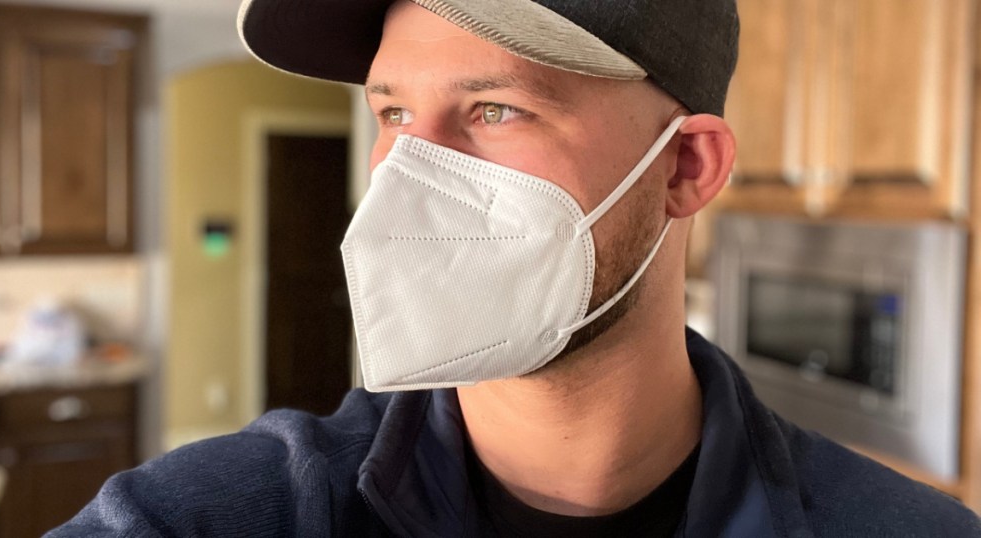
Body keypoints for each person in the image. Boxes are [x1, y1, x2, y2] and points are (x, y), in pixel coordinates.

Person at [49, 0, 980, 536]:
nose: (411, 172)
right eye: (395, 116)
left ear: (685, 167)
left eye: (494, 109)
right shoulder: (218, 516)